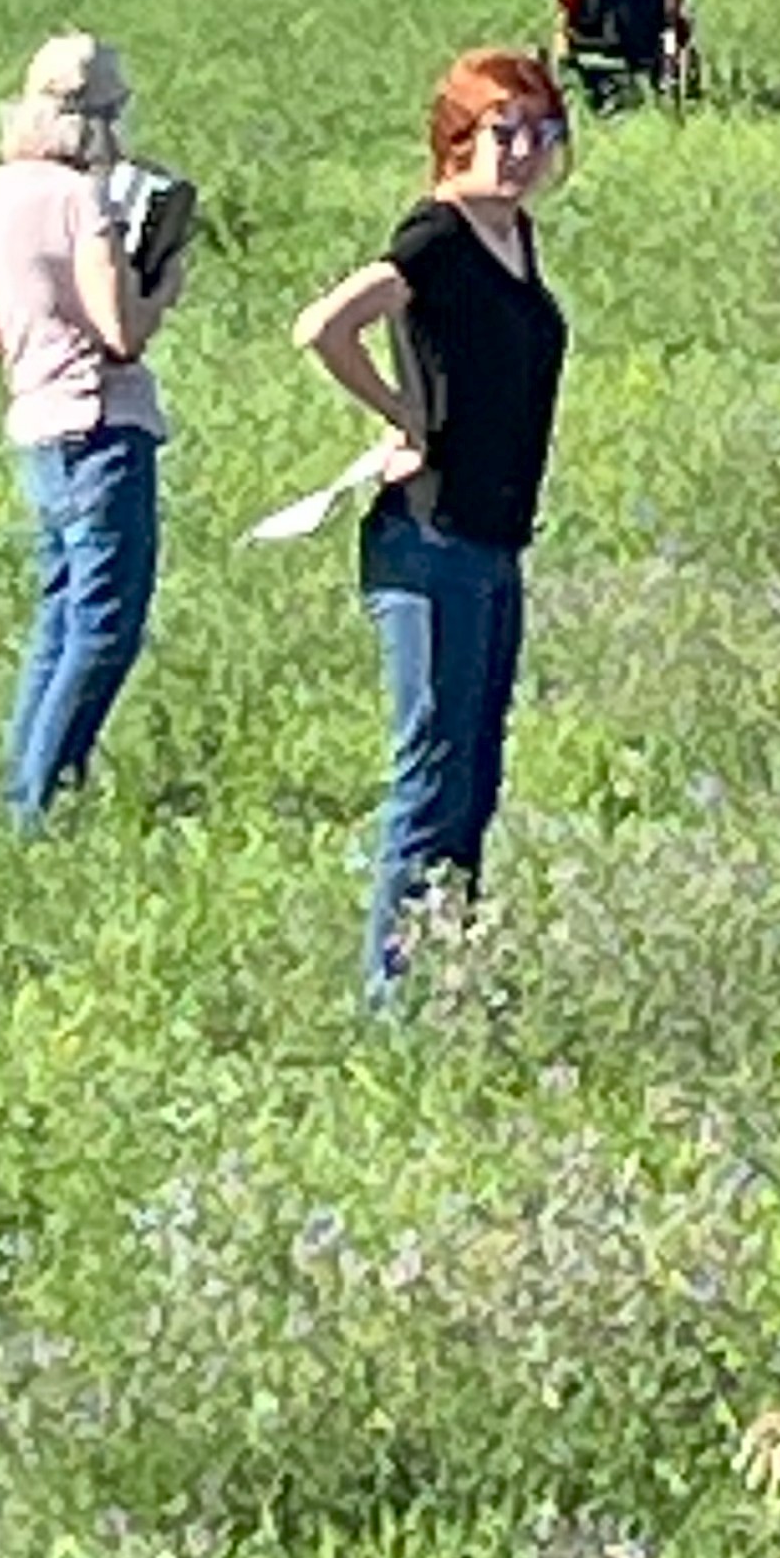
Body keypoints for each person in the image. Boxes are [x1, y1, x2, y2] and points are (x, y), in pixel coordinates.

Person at [293, 49, 571, 999]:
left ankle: (449, 967)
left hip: (496, 541)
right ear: (458, 139)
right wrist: (396, 413)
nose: (525, 152)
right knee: (432, 772)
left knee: (478, 773)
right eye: (505, 132)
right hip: (429, 539)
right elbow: (325, 326)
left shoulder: (518, 237)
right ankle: (391, 997)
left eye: (543, 133)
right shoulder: (437, 236)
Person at [0, 32, 187, 831]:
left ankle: (20, 791)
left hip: (37, 426)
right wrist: (165, 281)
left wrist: (25, 350)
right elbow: (122, 332)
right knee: (107, 624)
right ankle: (42, 801)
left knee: (60, 611)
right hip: (100, 424)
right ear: (100, 119)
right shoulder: (84, 201)